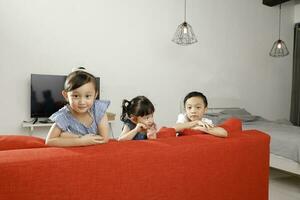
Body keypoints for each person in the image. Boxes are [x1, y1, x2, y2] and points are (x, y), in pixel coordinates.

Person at [45, 67, 110, 147]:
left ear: (95, 95)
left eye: (87, 96)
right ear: (66, 96)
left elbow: (104, 139)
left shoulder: (98, 109)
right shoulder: (63, 116)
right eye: (76, 96)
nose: (82, 102)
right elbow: (49, 141)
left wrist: (68, 137)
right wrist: (81, 140)